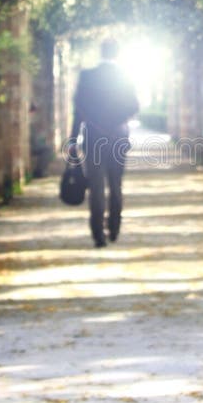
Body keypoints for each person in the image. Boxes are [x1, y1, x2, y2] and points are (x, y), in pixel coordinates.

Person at [71, 38, 139, 247]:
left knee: (96, 185)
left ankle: (98, 234)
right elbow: (134, 106)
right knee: (116, 184)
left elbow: (78, 110)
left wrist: (73, 139)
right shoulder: (125, 75)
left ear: (101, 53)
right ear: (116, 53)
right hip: (118, 136)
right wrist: (118, 119)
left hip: (93, 137)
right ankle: (115, 228)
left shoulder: (87, 75)